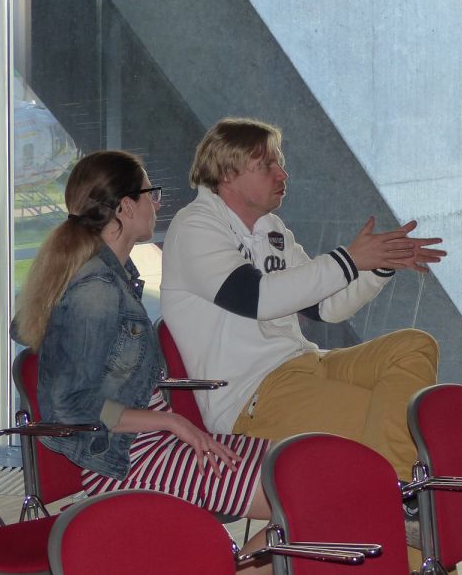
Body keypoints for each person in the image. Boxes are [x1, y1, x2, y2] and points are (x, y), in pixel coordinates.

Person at [161, 117, 446, 480]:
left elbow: (326, 307)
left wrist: (378, 266)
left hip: (306, 364)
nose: (283, 174)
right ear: (228, 174)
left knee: (414, 346)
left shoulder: (273, 230)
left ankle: (389, 486)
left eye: (280, 163)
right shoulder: (194, 226)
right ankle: (399, 491)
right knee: (398, 423)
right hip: (252, 395)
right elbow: (256, 298)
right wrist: (350, 259)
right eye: (267, 165)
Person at [11, 150, 273, 533]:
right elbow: (69, 407)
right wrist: (171, 421)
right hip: (132, 464)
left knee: (300, 468)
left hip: (152, 446)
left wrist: (169, 424)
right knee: (303, 492)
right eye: (152, 193)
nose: (158, 203)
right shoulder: (96, 289)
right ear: (125, 207)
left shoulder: (115, 275)